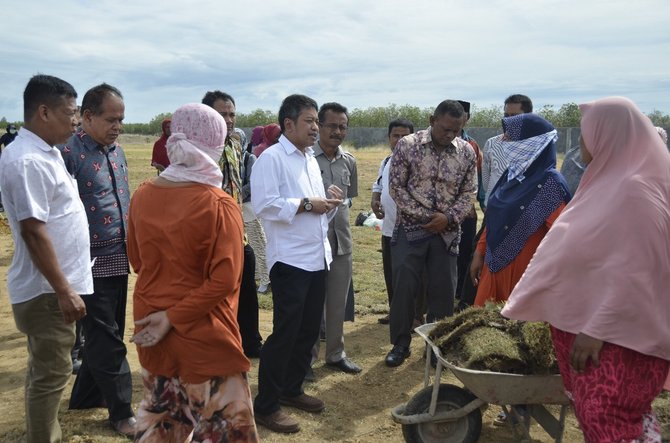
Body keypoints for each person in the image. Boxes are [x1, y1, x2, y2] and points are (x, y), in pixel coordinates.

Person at [502, 96, 670, 442]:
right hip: (595, 332)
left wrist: (597, 329)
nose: (581, 142)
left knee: (609, 419)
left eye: (586, 133)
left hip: (615, 339)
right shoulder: (610, 180)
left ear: (610, 134)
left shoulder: (635, 189)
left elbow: (640, 271)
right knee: (609, 420)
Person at [127, 103, 258, 443]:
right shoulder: (218, 203)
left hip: (150, 325)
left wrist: (165, 313)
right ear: (214, 145)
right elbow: (225, 281)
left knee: (163, 423)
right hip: (203, 333)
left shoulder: (142, 195)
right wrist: (175, 315)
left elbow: (137, 261)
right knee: (224, 430)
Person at [0, 74, 90, 443]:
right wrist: (64, 289)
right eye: (70, 113)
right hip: (47, 291)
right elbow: (34, 232)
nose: (75, 121)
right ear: (43, 111)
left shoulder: (45, 152)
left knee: (45, 372)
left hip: (54, 287)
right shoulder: (27, 161)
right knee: (51, 375)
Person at [250, 94, 343, 433]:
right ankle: (266, 405)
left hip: (316, 257)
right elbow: (265, 205)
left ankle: (291, 389)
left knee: (307, 332)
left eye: (317, 121)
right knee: (286, 334)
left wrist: (327, 201)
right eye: (310, 121)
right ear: (288, 124)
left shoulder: (307, 158)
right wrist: (307, 204)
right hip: (289, 260)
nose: (316, 127)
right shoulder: (271, 158)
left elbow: (311, 205)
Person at [59, 83, 135, 437]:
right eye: (111, 118)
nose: (117, 125)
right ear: (87, 117)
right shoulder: (67, 154)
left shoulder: (116, 151)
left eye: (121, 119)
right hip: (87, 262)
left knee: (107, 332)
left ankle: (86, 396)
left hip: (119, 256)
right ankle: (121, 413)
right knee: (107, 338)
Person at [386, 99, 477, 367]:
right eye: (446, 128)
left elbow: (468, 192)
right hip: (410, 230)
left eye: (456, 130)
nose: (450, 135)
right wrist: (427, 217)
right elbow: (397, 189)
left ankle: (436, 348)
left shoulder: (466, 152)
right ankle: (400, 344)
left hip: (446, 234)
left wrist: (448, 218)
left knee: (443, 291)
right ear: (432, 119)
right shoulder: (408, 145)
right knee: (404, 288)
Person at [470, 113, 571, 307]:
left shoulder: (549, 184)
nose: (504, 141)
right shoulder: (511, 175)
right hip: (493, 267)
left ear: (532, 142)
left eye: (511, 137)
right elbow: (493, 217)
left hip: (526, 277)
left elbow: (562, 239)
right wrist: (479, 253)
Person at [203, 90, 263, 358]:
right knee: (217, 293)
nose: (228, 120)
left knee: (247, 288)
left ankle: (250, 343)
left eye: (231, 114)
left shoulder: (237, 143)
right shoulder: (198, 149)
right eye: (221, 114)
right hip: (211, 234)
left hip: (238, 231)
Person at [311, 102, 361, 375]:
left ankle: (335, 353)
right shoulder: (305, 159)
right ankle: (307, 359)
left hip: (341, 242)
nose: (337, 131)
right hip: (313, 243)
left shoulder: (349, 161)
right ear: (319, 125)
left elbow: (348, 201)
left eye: (342, 127)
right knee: (311, 303)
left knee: (337, 302)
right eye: (332, 126)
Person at [370, 118, 414, 325]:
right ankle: (394, 310)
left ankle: (414, 315)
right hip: (389, 228)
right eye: (396, 135)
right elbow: (379, 183)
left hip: (411, 230)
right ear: (389, 138)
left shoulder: (419, 162)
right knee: (391, 272)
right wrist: (375, 198)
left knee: (411, 273)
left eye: (405, 136)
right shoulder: (386, 161)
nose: (400, 140)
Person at [454, 100, 483, 309]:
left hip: (466, 211)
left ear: (467, 118)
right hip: (441, 212)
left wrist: (479, 204)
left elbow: (478, 178)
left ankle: (459, 295)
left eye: (461, 114)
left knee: (464, 253)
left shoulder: (472, 145)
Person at [481, 94, 533, 206]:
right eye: (506, 115)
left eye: (514, 116)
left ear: (528, 117)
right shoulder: (492, 143)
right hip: (494, 208)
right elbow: (486, 180)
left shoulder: (536, 147)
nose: (509, 120)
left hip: (522, 211)